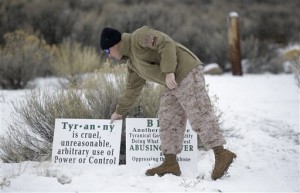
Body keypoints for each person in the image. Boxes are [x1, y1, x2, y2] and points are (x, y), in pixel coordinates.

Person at [100, 26, 236, 180]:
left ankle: (221, 153)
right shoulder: (133, 64)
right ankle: (170, 163)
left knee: (198, 112)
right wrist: (119, 111)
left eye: (107, 51)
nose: (108, 56)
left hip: (185, 71)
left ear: (114, 44)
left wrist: (169, 70)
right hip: (172, 82)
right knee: (167, 117)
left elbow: (165, 43)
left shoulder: (138, 37)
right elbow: (132, 89)